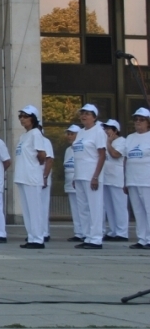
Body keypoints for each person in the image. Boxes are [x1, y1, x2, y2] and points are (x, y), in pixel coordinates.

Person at [14, 106, 50, 249]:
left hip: (32, 176)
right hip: (22, 176)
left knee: (35, 210)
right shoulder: (23, 136)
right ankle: (31, 237)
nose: (22, 119)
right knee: (27, 210)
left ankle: (38, 239)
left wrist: (35, 167)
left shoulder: (36, 133)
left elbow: (42, 154)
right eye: (21, 116)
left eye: (25, 116)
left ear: (33, 118)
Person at [72, 104, 107, 249]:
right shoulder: (80, 132)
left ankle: (96, 238)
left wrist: (96, 176)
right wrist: (75, 176)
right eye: (82, 113)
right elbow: (78, 155)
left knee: (95, 208)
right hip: (80, 175)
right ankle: (87, 236)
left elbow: (102, 155)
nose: (84, 116)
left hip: (92, 175)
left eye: (87, 114)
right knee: (83, 208)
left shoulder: (98, 131)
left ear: (94, 117)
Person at [125, 108, 150, 250]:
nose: (138, 122)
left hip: (147, 179)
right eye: (136, 119)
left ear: (148, 122)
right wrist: (125, 180)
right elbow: (125, 159)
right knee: (138, 211)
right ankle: (142, 239)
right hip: (132, 179)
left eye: (142, 120)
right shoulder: (130, 138)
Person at [102, 119, 129, 242]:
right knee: (109, 207)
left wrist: (108, 143)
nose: (106, 131)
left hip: (118, 179)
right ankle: (113, 231)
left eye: (109, 129)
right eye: (105, 128)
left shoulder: (122, 141)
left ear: (116, 130)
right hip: (106, 178)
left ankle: (122, 232)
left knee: (119, 206)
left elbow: (115, 154)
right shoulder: (104, 141)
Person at [62, 124, 83, 243]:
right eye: (68, 134)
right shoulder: (67, 150)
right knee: (75, 209)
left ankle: (85, 232)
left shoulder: (81, 148)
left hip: (79, 182)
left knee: (82, 208)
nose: (69, 136)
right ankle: (78, 232)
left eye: (72, 134)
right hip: (69, 183)